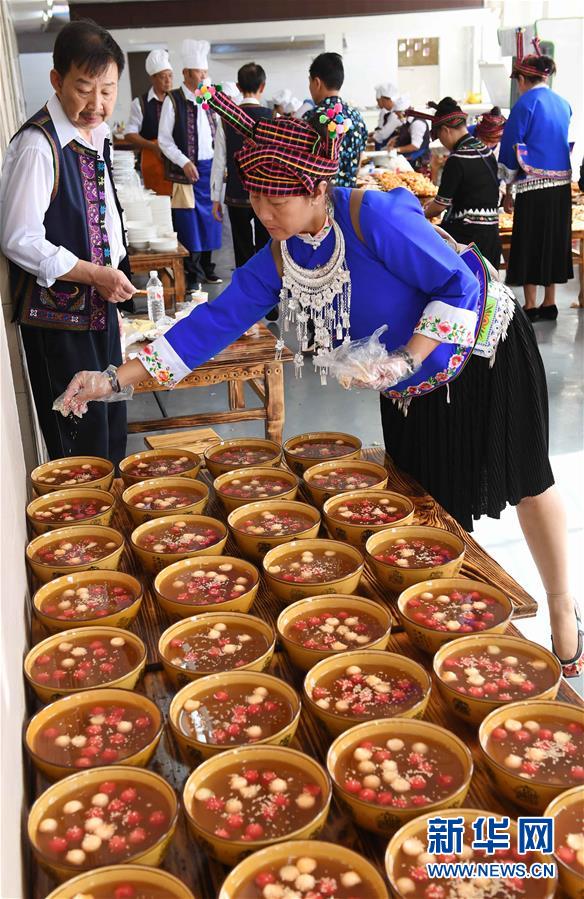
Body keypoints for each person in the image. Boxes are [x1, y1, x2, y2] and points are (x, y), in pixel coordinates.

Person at [59, 87, 582, 678]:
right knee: (427, 502)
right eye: (254, 197)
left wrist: (406, 359)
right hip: (408, 387)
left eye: (275, 199)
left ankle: (561, 605)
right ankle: (444, 629)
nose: (263, 213)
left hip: (483, 350)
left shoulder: (372, 216)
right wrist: (113, 379)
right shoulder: (282, 255)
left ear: (315, 188)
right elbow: (211, 325)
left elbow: (456, 285)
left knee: (526, 478)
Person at [0, 19, 133, 466]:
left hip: (99, 309)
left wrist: (114, 270)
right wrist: (94, 274)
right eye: (84, 89)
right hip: (59, 323)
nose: (97, 104)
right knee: (80, 447)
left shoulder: (95, 135)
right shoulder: (39, 145)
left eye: (108, 91)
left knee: (111, 429)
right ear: (57, 80)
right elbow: (18, 238)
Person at [499, 38, 572, 322]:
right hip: (562, 185)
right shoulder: (563, 104)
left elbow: (511, 146)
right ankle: (550, 302)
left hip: (532, 184)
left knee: (529, 240)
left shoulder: (524, 104)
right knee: (553, 240)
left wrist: (506, 188)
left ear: (522, 79)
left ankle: (530, 304)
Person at [158, 39, 222, 288]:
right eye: (199, 72)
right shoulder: (173, 100)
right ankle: (192, 274)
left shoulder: (209, 98)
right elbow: (164, 140)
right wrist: (183, 162)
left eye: (205, 72)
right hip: (187, 173)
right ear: (185, 73)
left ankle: (207, 268)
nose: (204, 76)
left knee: (211, 223)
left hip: (210, 170)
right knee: (189, 223)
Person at [421, 97, 502, 270]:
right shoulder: (486, 152)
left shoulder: (457, 159)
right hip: (491, 236)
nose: (442, 142)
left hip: (467, 240)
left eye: (439, 137)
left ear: (445, 130)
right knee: (488, 285)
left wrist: (420, 213)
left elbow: (440, 205)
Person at [211, 62, 272, 268]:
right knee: (267, 246)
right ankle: (266, 284)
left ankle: (245, 285)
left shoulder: (226, 119)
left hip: (236, 192)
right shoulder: (273, 117)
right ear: (262, 86)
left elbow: (219, 160)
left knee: (241, 247)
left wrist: (215, 199)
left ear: (238, 87)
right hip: (266, 194)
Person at [304, 52, 367, 188]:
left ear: (317, 82)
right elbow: (359, 161)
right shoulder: (357, 117)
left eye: (310, 82)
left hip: (320, 197)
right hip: (350, 196)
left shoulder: (311, 117)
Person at [124, 49, 173, 195]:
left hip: (176, 162)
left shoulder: (177, 101)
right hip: (152, 161)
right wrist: (153, 146)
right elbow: (129, 134)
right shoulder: (140, 103)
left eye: (170, 76)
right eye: (163, 77)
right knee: (157, 201)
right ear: (153, 78)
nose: (168, 80)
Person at [387, 103, 431, 172]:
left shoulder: (417, 123)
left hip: (418, 161)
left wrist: (396, 149)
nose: (397, 117)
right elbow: (407, 135)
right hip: (409, 159)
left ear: (403, 113)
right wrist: (395, 139)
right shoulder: (408, 123)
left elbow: (415, 146)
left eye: (398, 114)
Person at [371, 82, 400, 150]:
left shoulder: (395, 114)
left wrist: (368, 139)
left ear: (385, 100)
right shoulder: (390, 113)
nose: (379, 104)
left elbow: (383, 135)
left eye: (379, 101)